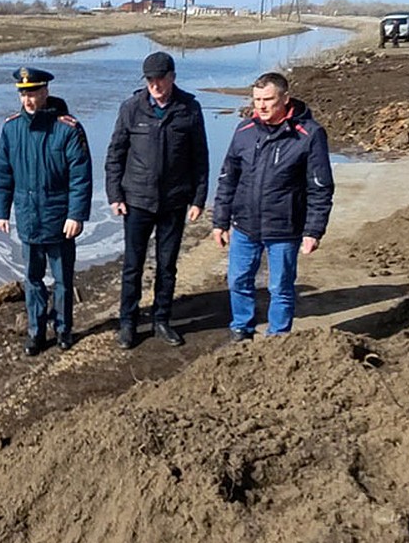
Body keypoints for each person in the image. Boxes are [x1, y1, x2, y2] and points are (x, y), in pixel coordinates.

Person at [211, 71, 334, 340]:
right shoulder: (244, 129)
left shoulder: (309, 135)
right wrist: (220, 220)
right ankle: (242, 330)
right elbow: (227, 177)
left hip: (285, 228)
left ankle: (277, 339)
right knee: (238, 281)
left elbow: (320, 187)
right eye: (256, 100)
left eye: (268, 99)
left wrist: (313, 230)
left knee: (280, 287)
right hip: (245, 225)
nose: (262, 106)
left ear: (285, 98)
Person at [104, 51, 208, 348]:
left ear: (172, 77)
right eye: (150, 79)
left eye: (160, 78)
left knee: (167, 265)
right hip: (137, 200)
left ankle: (162, 319)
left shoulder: (189, 109)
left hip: (174, 202)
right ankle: (128, 322)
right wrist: (115, 194)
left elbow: (200, 158)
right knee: (132, 266)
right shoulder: (131, 109)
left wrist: (199, 199)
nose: (155, 85)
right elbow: (115, 155)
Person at [0, 66, 93, 356]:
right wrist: (1, 212)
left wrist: (76, 215)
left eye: (33, 92)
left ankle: (63, 330)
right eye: (23, 93)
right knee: (32, 279)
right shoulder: (11, 128)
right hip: (28, 216)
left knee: (62, 280)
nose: (28, 99)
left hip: (60, 219)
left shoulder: (68, 129)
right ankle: (36, 332)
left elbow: (80, 176)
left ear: (45, 91)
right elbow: (3, 173)